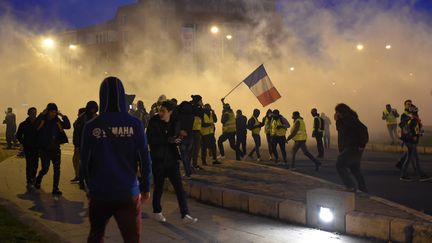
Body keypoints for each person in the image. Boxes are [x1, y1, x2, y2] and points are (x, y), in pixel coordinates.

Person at [80, 77, 152, 242]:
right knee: (132, 238)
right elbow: (145, 158)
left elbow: (85, 161)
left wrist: (88, 187)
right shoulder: (135, 124)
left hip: (100, 192)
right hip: (128, 192)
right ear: (122, 96)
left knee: (96, 235)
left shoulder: (91, 126)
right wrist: (146, 186)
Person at [146, 100, 198, 223]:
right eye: (160, 110)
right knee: (158, 188)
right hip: (158, 160)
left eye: (163, 111)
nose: (160, 113)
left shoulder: (175, 122)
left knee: (180, 189)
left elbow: (176, 137)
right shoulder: (154, 121)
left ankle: (185, 214)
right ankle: (157, 211)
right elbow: (150, 139)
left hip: (172, 160)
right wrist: (168, 140)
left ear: (170, 112)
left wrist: (179, 138)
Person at [34, 103, 71, 196]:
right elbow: (35, 126)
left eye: (55, 112)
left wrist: (62, 115)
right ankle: (38, 179)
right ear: (47, 111)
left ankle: (55, 188)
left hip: (55, 149)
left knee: (57, 169)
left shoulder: (57, 121)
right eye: (52, 112)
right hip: (44, 149)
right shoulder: (43, 120)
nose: (53, 114)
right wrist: (42, 114)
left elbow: (67, 126)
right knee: (45, 168)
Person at [334, 103, 368, 193]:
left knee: (339, 164)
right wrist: (338, 120)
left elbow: (364, 129)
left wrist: (362, 145)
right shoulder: (344, 120)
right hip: (349, 148)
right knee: (355, 169)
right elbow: (341, 132)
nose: (335, 114)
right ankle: (363, 189)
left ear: (340, 112)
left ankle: (351, 186)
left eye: (336, 112)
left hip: (353, 147)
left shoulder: (349, 119)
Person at [399, 105, 431, 182]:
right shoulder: (412, 119)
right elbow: (412, 131)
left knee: (410, 159)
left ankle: (405, 175)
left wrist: (418, 133)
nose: (417, 112)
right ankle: (420, 176)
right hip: (411, 142)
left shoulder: (411, 119)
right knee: (414, 159)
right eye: (416, 110)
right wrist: (416, 135)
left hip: (409, 141)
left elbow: (413, 129)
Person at [72, 102, 98, 188]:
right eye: (91, 108)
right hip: (84, 143)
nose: (93, 110)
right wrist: (77, 145)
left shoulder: (96, 117)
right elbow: (77, 132)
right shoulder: (83, 118)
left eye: (94, 108)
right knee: (84, 163)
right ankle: (82, 181)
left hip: (94, 144)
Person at [16, 107, 39, 191]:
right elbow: (18, 135)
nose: (34, 114)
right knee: (29, 163)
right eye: (32, 112)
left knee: (35, 163)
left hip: (37, 147)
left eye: (35, 112)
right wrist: (24, 142)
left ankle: (33, 176)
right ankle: (29, 179)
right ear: (28, 113)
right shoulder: (23, 124)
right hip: (28, 147)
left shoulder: (39, 123)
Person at [71, 107, 86, 183]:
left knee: (77, 160)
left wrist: (77, 145)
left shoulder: (82, 120)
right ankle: (78, 176)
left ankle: (79, 176)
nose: (77, 114)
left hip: (80, 144)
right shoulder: (81, 120)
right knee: (77, 160)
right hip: (79, 144)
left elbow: (77, 133)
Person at [190, 95, 204, 170]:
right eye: (201, 100)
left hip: (192, 131)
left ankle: (190, 165)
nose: (202, 102)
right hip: (195, 131)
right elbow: (202, 115)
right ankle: (193, 165)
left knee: (191, 149)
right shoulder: (197, 107)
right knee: (195, 149)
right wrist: (201, 107)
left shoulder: (191, 106)